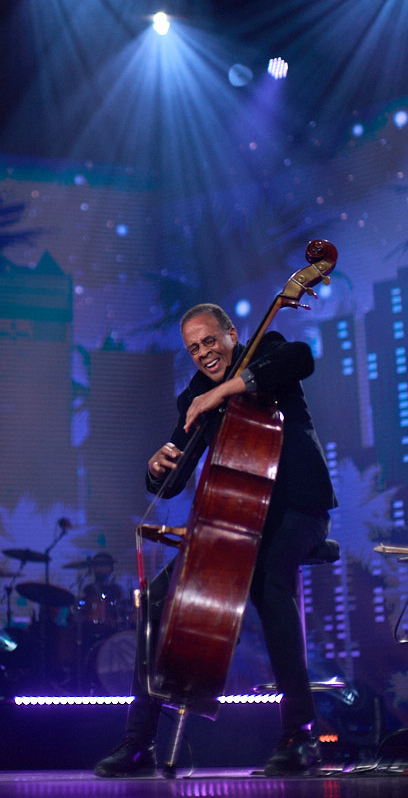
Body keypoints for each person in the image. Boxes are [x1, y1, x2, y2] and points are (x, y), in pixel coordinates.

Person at [94, 303, 337, 777]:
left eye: (210, 341)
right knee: (157, 599)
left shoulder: (267, 352)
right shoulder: (195, 396)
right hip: (234, 519)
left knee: (270, 579)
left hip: (296, 509)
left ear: (231, 334)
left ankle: (300, 735)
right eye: (194, 348)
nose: (204, 354)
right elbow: (174, 479)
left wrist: (222, 393)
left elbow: (301, 358)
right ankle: (138, 741)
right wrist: (156, 467)